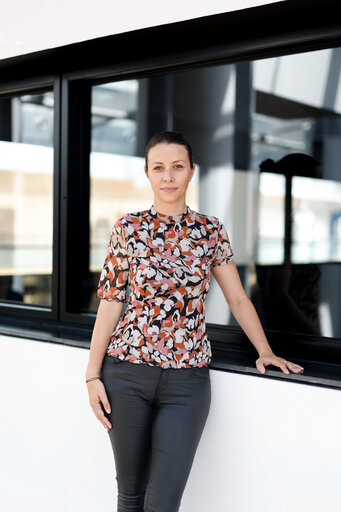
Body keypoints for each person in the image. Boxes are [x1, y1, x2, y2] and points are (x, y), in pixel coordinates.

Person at [85, 131, 304, 512]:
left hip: (187, 381)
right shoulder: (128, 229)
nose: (168, 176)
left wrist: (265, 350)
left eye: (177, 167)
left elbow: (238, 297)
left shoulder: (209, 231)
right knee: (130, 495)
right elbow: (110, 302)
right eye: (158, 168)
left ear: (191, 172)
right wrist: (92, 375)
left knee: (163, 503)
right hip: (126, 376)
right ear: (148, 174)